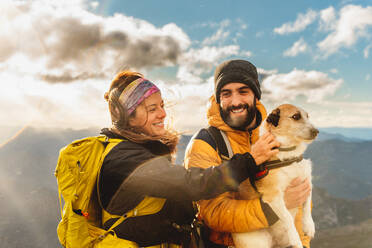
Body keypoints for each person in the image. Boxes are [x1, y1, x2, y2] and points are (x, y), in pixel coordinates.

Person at [97, 70, 271, 247]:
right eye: (152, 109)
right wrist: (249, 161)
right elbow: (192, 184)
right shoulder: (124, 160)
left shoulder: (141, 152)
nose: (162, 113)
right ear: (127, 117)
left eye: (161, 105)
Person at [184, 59, 312, 248]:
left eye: (243, 91)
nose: (235, 102)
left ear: (255, 96)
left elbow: (300, 198)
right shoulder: (206, 142)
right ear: (218, 99)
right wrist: (273, 207)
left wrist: (302, 243)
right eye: (226, 93)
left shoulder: (276, 134)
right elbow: (213, 214)